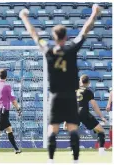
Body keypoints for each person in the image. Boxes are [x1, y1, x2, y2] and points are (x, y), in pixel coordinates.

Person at [19, 4, 101, 163]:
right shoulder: (71, 49)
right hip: (71, 96)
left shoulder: (48, 50)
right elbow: (85, 30)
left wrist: (24, 17)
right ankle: (75, 160)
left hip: (55, 97)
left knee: (53, 129)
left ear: (54, 37)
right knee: (73, 129)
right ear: (65, 37)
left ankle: (51, 160)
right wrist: (94, 14)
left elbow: (34, 34)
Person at [64, 75, 107, 155]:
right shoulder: (88, 91)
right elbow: (94, 106)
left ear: (80, 81)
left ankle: (74, 151)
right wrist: (102, 117)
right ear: (89, 83)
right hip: (84, 113)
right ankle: (101, 151)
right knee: (100, 131)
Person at [0, 69, 22, 154]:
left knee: (9, 129)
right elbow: (13, 100)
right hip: (4, 110)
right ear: (6, 76)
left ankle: (16, 149)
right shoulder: (8, 86)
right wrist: (18, 109)